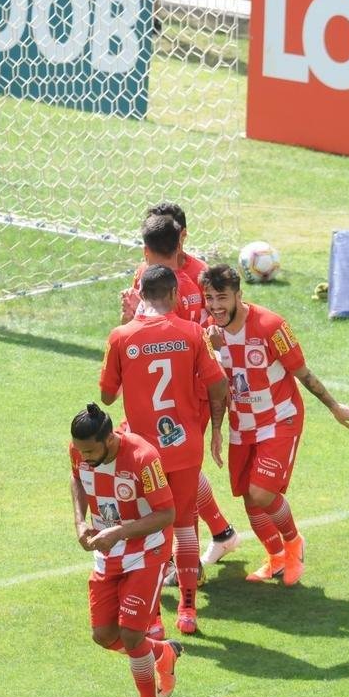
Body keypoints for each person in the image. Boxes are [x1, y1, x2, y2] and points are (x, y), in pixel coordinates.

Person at [199, 265, 349, 586]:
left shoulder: (272, 327)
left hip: (279, 419)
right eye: (209, 298)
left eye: (222, 298)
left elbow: (303, 373)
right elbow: (218, 388)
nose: (215, 306)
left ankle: (294, 542)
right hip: (242, 424)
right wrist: (216, 430)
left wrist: (334, 406)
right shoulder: (210, 334)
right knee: (248, 496)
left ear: (239, 296)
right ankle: (275, 558)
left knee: (262, 492)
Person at [101, 265, 228, 634]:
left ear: (140, 295)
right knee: (185, 525)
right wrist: (216, 428)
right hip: (185, 447)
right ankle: (188, 611)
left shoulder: (121, 337)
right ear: (173, 295)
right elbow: (217, 385)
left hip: (144, 454)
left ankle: (153, 616)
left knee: (150, 531)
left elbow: (107, 396)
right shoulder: (192, 333)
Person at [121, 206, 242, 573]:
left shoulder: (199, 279)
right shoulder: (148, 274)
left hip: (191, 393)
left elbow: (214, 332)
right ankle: (220, 534)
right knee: (172, 468)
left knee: (174, 469)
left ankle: (179, 562)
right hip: (154, 392)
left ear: (180, 239)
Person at [70, 403, 184, 697]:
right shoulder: (81, 452)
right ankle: (163, 653)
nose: (84, 457)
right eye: (79, 451)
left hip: (146, 551)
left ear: (109, 439)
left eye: (89, 451)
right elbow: (76, 479)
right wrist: (80, 522)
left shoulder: (143, 459)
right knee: (103, 635)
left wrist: (119, 531)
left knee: (131, 635)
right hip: (108, 553)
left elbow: (166, 514)